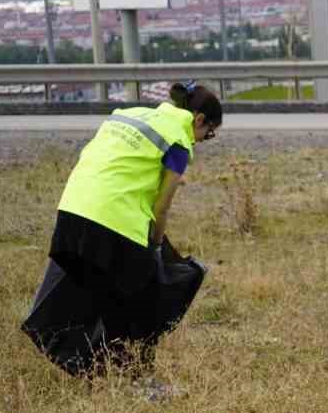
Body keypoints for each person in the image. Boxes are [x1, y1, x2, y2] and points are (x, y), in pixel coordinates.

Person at [44, 82, 222, 385]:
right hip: (112, 220)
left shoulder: (129, 114)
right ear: (199, 119)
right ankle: (138, 381)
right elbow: (162, 206)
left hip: (71, 213)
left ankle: (99, 374)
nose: (202, 140)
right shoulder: (177, 141)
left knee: (100, 296)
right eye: (208, 135)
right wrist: (154, 248)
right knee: (141, 302)